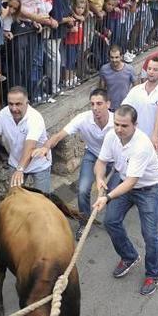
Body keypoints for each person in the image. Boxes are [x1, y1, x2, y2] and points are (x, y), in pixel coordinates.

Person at [93, 105, 158, 296]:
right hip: (123, 179)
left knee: (150, 235)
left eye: (124, 126)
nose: (118, 129)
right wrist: (100, 178)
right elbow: (101, 162)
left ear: (135, 125)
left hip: (148, 188)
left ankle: (153, 273)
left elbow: (132, 182)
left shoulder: (141, 145)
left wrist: (107, 197)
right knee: (110, 221)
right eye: (116, 124)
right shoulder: (111, 136)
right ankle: (129, 256)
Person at [33, 89, 113, 238]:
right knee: (82, 190)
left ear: (108, 104)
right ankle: (84, 222)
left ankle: (113, 221)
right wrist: (45, 147)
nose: (95, 108)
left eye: (99, 103)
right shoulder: (83, 119)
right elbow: (58, 136)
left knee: (113, 194)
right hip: (93, 155)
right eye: (92, 104)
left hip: (114, 161)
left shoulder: (117, 123)